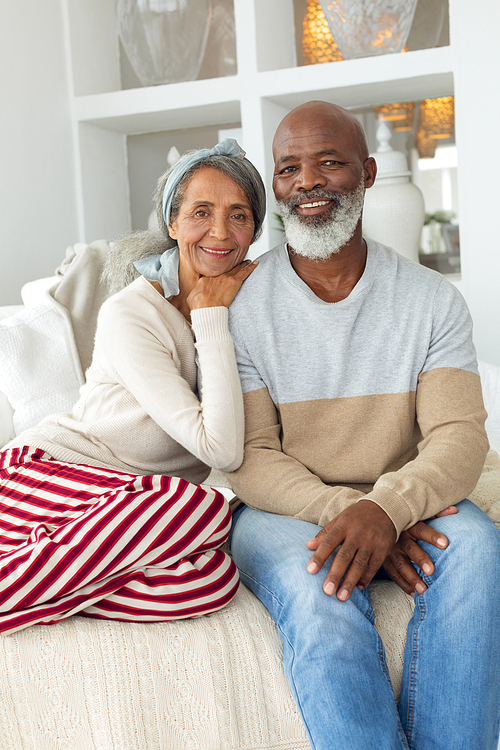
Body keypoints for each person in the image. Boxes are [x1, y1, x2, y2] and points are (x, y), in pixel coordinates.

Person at [225, 102, 500, 750]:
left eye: (329, 162)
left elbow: (460, 437)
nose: (307, 182)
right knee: (324, 591)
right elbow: (252, 455)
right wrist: (356, 512)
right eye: (289, 168)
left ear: (369, 172)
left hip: (400, 498)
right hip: (285, 509)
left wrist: (390, 508)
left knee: (481, 554)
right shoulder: (242, 303)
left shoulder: (432, 302)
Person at [0, 138, 266, 636]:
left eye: (239, 215)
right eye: (200, 212)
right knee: (202, 508)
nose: (220, 232)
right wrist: (209, 316)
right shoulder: (132, 313)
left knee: (212, 578)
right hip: (42, 477)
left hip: (120, 509)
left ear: (254, 228)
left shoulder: (250, 306)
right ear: (171, 223)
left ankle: (46, 569)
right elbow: (221, 449)